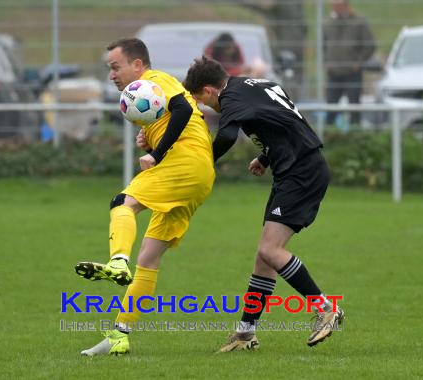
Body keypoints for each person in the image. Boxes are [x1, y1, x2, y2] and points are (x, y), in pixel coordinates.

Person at [183, 56, 344, 352]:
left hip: (301, 172)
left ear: (208, 90)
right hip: (296, 168)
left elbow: (228, 135)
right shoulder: (253, 84)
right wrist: (267, 157)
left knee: (270, 250)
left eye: (202, 102)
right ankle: (245, 333)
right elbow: (285, 119)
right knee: (265, 257)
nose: (206, 107)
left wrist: (201, 163)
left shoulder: (230, 97)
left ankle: (326, 309)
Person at [74, 38, 215, 356]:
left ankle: (117, 262)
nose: (111, 74)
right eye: (108, 68)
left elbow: (180, 109)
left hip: (183, 163)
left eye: (115, 66)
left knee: (122, 203)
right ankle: (119, 336)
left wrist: (157, 153)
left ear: (137, 65)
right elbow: (189, 120)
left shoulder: (154, 80)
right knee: (149, 260)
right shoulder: (145, 96)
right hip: (199, 175)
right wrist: (151, 143)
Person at [323, 0, 376, 125]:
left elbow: (370, 45)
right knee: (331, 108)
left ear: (346, 5)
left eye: (338, 5)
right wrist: (326, 62)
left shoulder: (359, 21)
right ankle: (329, 136)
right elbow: (322, 45)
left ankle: (354, 137)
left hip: (353, 73)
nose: (335, 8)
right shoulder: (327, 23)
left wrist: (358, 62)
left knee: (354, 108)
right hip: (333, 73)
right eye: (333, 5)